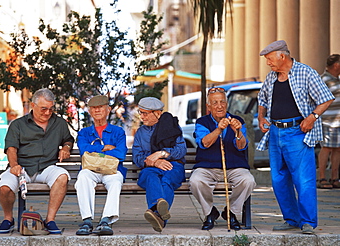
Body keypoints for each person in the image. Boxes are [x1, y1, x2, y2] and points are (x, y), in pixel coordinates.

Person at [257, 40, 335, 234]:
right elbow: (262, 98)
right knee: (278, 179)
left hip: (297, 131)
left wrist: (312, 117)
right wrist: (260, 116)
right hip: (275, 132)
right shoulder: (271, 77)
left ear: (282, 56)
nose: (268, 63)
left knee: (303, 179)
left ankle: (308, 221)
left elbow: (326, 98)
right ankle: (291, 218)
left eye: (269, 59)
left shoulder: (306, 72)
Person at [0, 88, 74, 234]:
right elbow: (11, 148)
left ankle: (50, 220)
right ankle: (8, 219)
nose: (47, 113)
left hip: (47, 167)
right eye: (43, 109)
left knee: (62, 177)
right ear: (33, 105)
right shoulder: (18, 124)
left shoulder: (59, 123)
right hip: (21, 167)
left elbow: (68, 139)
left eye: (50, 109)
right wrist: (14, 166)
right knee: (4, 188)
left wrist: (66, 147)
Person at [189, 87, 256, 231]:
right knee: (196, 181)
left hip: (235, 166)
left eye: (222, 102)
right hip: (207, 167)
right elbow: (204, 143)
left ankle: (231, 212)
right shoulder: (202, 122)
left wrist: (238, 132)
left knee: (248, 181)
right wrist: (218, 130)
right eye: (215, 103)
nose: (219, 106)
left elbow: (242, 146)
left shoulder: (237, 120)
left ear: (226, 103)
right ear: (209, 106)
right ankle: (209, 213)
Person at [75, 95, 127, 236]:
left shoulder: (118, 132)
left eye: (100, 107)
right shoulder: (84, 132)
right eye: (94, 108)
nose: (97, 110)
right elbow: (83, 150)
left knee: (116, 181)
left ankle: (105, 221)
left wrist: (95, 151)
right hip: (90, 169)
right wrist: (104, 148)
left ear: (108, 109)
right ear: (90, 111)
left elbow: (121, 153)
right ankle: (87, 221)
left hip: (112, 169)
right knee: (83, 177)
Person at [132, 97, 186, 232]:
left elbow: (181, 150)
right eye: (141, 112)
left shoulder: (172, 127)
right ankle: (159, 213)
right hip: (150, 169)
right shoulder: (140, 133)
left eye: (145, 113)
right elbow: (137, 157)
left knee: (167, 180)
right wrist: (155, 162)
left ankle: (156, 212)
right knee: (150, 176)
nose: (142, 117)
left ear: (157, 113)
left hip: (173, 166)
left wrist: (162, 154)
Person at [317, 54, 340, 189]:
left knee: (337, 149)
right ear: (336, 65)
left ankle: (334, 178)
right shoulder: (323, 80)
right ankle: (322, 178)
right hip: (326, 121)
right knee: (326, 148)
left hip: (338, 121)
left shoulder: (337, 79)